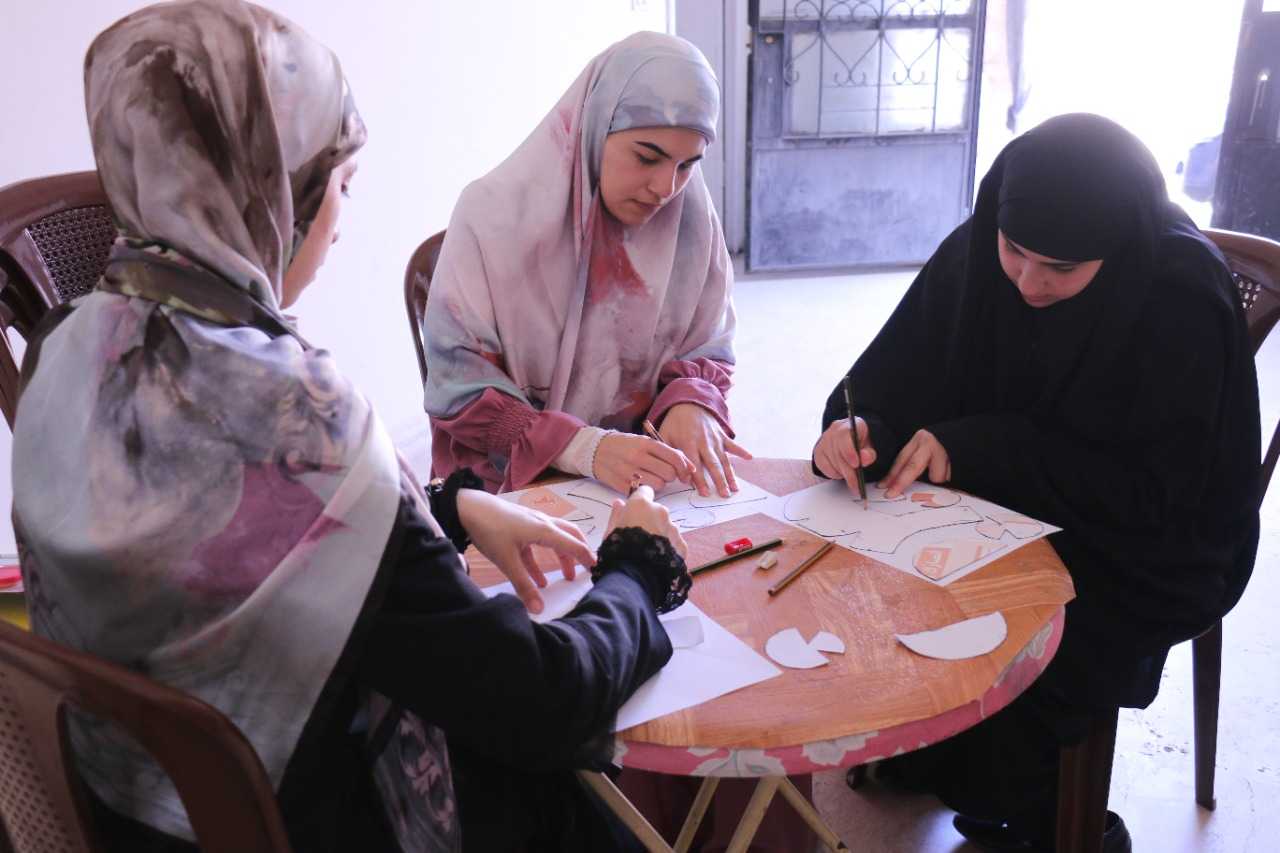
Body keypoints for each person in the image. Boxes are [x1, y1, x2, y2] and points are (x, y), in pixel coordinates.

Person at [10, 2, 694, 850]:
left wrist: (446, 508)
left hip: (138, 813)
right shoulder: (299, 422)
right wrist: (636, 566)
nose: (341, 221)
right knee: (579, 807)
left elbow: (222, 539)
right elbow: (543, 702)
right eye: (337, 184)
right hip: (297, 819)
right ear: (268, 194)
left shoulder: (64, 347)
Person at [812, 114, 1260, 852]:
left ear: (1116, 249)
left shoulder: (1178, 296)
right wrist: (864, 430)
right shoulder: (982, 247)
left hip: (1143, 545)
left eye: (1061, 267)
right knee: (868, 574)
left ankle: (1057, 821)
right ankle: (932, 749)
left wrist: (983, 448)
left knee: (1033, 635)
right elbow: (892, 375)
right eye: (1015, 251)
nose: (1027, 281)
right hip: (998, 502)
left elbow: (1159, 492)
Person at [423, 32, 751, 500]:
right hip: (506, 488)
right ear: (595, 126)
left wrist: (691, 402)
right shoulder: (492, 218)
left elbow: (710, 342)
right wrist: (581, 447)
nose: (666, 188)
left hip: (645, 477)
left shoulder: (692, 223)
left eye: (687, 165)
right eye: (647, 157)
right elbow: (459, 384)